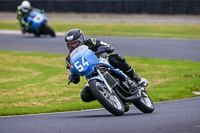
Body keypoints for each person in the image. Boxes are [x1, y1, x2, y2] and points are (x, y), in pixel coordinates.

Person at [65, 29, 149, 103]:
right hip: (92, 76)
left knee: (115, 58)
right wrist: (73, 76)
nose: (73, 46)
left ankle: (137, 79)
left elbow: (107, 45)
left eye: (75, 43)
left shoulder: (90, 42)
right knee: (84, 95)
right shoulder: (69, 58)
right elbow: (74, 75)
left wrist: (105, 48)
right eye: (70, 45)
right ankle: (109, 99)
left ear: (81, 40)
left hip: (103, 63)